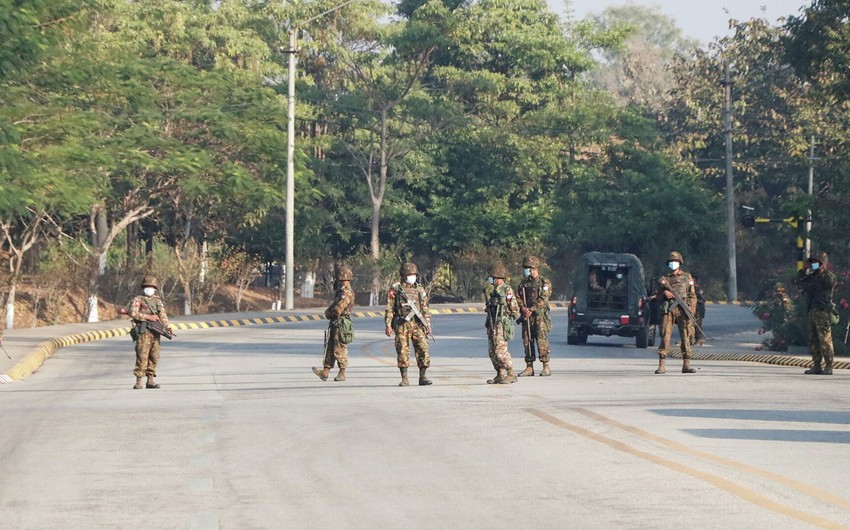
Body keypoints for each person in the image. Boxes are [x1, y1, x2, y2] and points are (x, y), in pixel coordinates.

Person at [385, 262, 432, 386]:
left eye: (414, 274)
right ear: (404, 275)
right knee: (402, 351)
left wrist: (427, 324)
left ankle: (423, 376)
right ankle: (404, 378)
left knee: (423, 349)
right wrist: (388, 324)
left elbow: (425, 308)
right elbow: (390, 308)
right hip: (402, 324)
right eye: (410, 274)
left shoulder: (419, 289)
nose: (413, 276)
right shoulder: (396, 289)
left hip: (418, 324)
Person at [653, 251, 698, 374]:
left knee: (686, 335)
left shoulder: (687, 277)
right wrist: (664, 294)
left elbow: (692, 295)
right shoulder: (665, 279)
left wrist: (692, 308)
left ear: (680, 263)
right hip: (669, 309)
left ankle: (686, 364)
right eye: (672, 262)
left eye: (676, 262)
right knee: (665, 335)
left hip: (683, 309)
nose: (674, 264)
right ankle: (662, 364)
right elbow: (657, 296)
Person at [795, 250, 837, 375]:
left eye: (816, 262)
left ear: (822, 263)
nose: (813, 264)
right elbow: (799, 280)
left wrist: (821, 270)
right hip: (811, 311)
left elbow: (830, 283)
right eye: (812, 262)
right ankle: (817, 365)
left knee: (825, 340)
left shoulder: (827, 276)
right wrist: (804, 269)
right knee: (813, 340)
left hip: (822, 311)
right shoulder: (810, 277)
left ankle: (828, 366)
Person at [313, 266, 356, 382]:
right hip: (335, 322)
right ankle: (325, 371)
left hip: (342, 323)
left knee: (340, 348)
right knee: (330, 347)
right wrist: (328, 311)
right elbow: (334, 305)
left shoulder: (346, 292)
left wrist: (330, 313)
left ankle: (342, 372)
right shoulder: (340, 292)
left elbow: (339, 309)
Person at [129, 276, 172, 389]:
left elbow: (162, 315)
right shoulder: (138, 299)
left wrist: (168, 326)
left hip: (155, 332)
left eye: (151, 287)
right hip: (143, 332)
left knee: (154, 356)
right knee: (142, 356)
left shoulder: (157, 301)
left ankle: (150, 380)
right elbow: (133, 313)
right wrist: (148, 317)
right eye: (147, 286)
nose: (149, 288)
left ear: (155, 288)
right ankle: (138, 381)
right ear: (144, 287)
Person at [516, 255, 553, 377]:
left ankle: (546, 366)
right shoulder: (523, 283)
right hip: (527, 317)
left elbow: (543, 299)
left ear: (534, 268)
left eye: (528, 268)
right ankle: (529, 367)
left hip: (539, 317)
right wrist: (523, 308)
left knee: (541, 341)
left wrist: (531, 309)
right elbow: (518, 297)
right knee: (527, 340)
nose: (526, 270)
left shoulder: (544, 282)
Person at [484, 263, 519, 384]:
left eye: (491, 277)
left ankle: (511, 373)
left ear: (497, 277)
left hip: (501, 325)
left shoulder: (507, 290)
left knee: (500, 351)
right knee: (492, 351)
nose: (489, 279)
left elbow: (515, 310)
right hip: (492, 323)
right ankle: (500, 374)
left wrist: (505, 319)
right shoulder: (494, 291)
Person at [691, 275, 706, 346]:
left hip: (698, 310)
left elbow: (702, 299)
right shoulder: (687, 289)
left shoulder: (699, 289)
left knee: (698, 325)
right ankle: (689, 339)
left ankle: (698, 339)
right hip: (690, 309)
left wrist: (695, 301)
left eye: (692, 281)